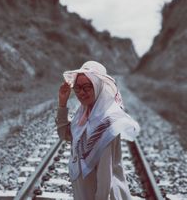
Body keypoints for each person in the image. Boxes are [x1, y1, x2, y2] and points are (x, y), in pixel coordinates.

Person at [55, 61, 140, 200]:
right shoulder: (84, 113)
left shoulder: (106, 122)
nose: (81, 92)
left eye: (87, 87)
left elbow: (105, 176)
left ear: (98, 86)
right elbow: (65, 134)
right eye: (77, 88)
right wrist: (62, 104)